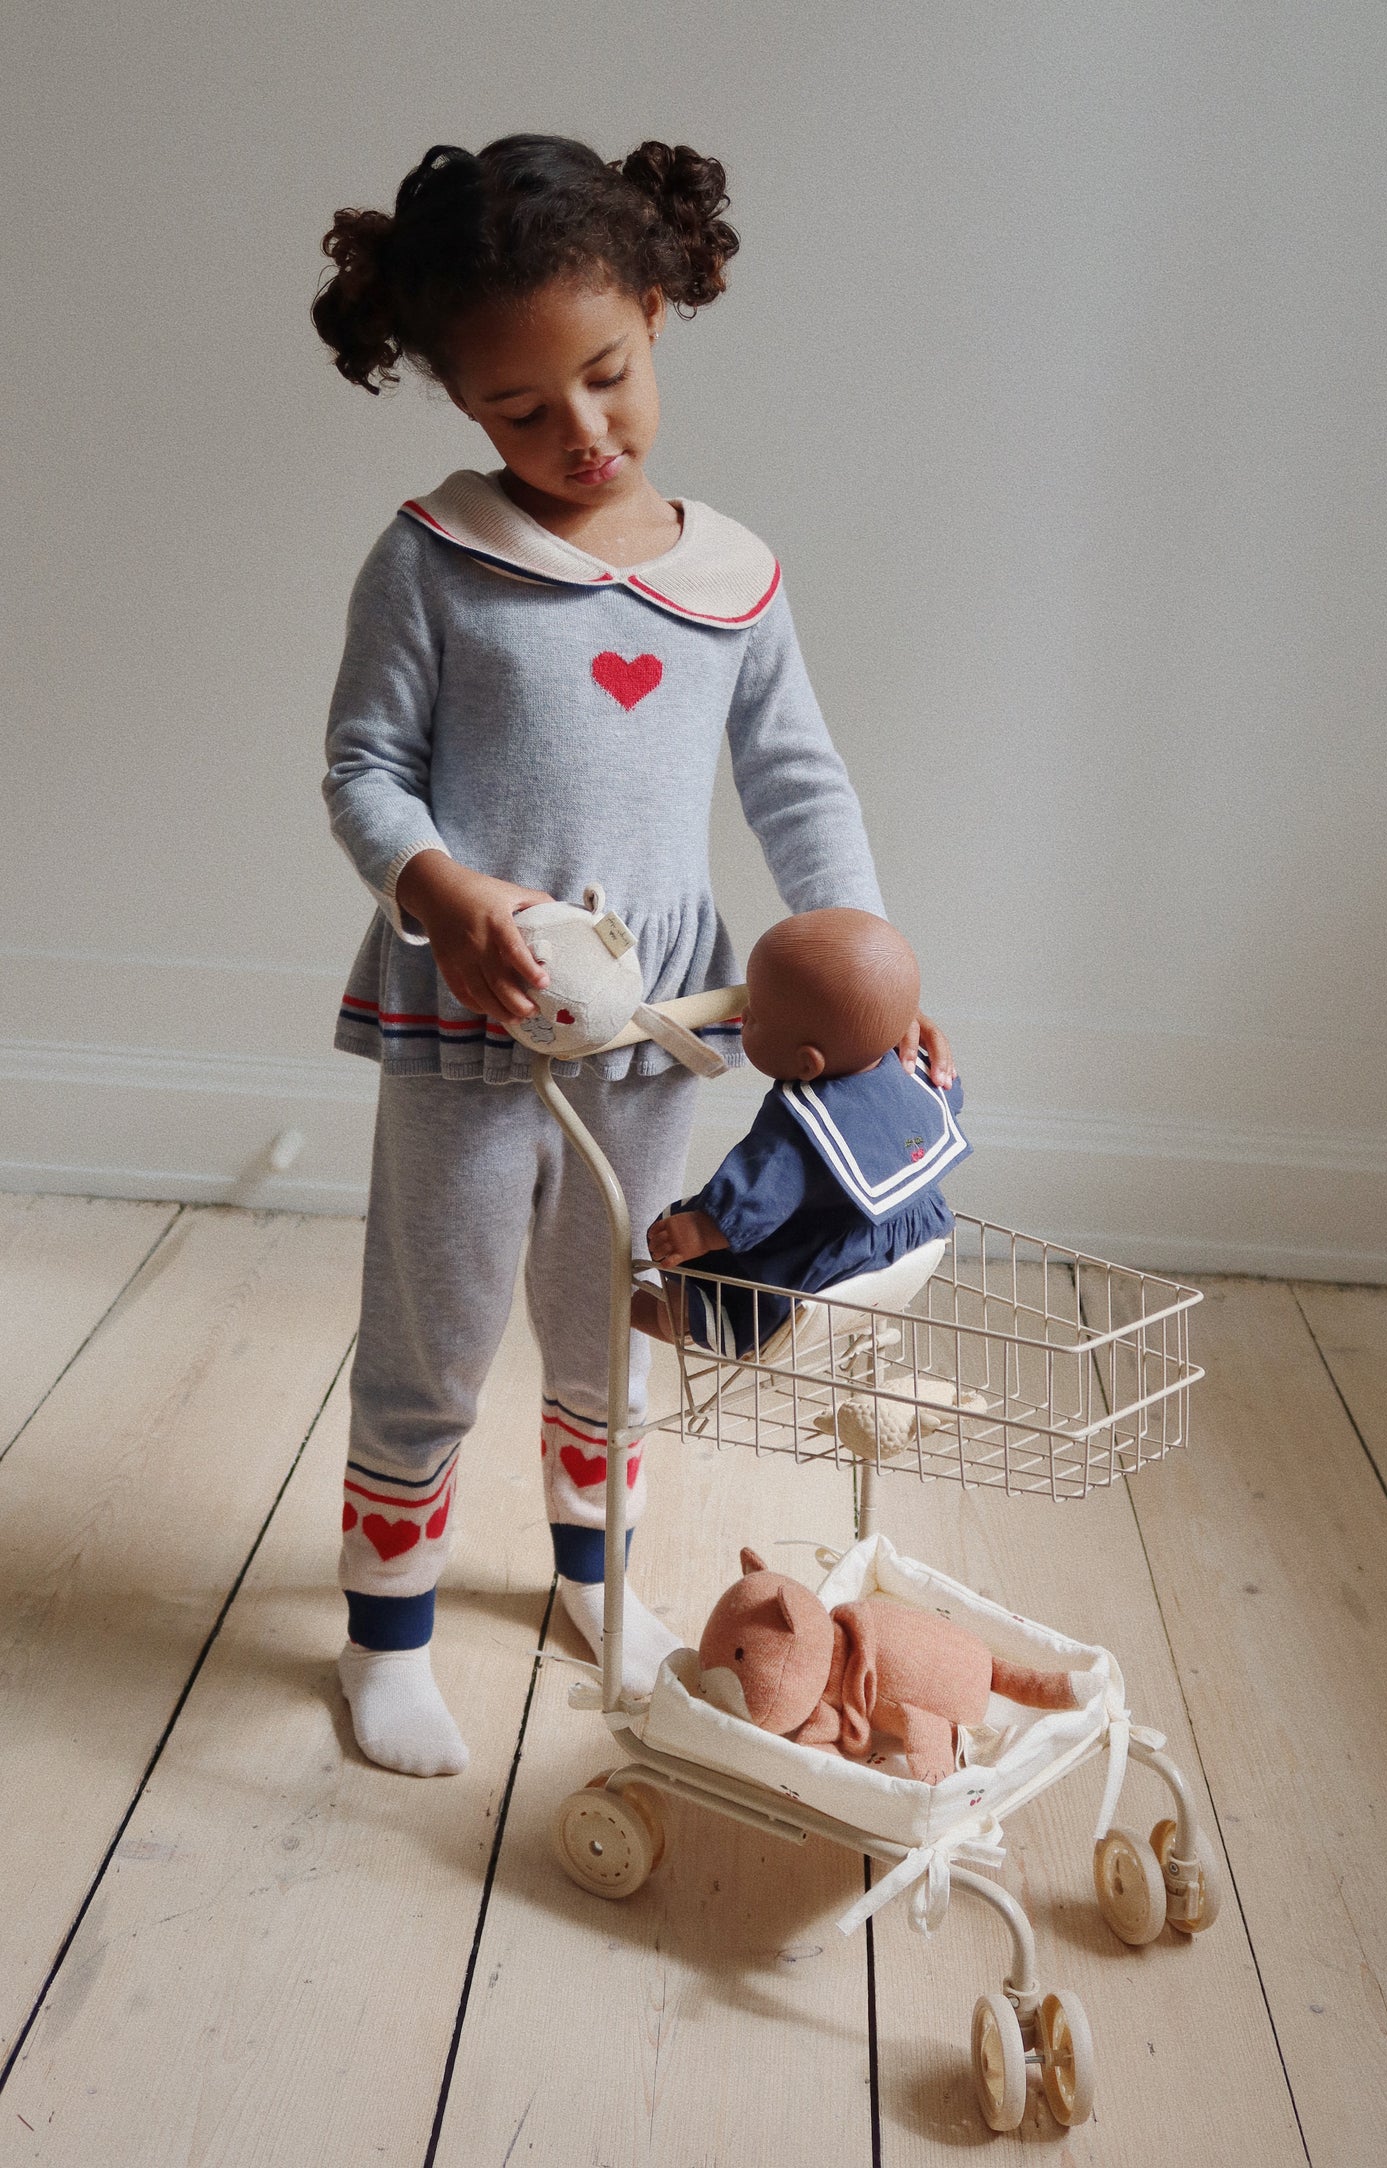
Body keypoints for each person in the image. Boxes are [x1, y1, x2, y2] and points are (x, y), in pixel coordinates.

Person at [312, 134, 953, 1775]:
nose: (578, 432)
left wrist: (873, 976)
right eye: (524, 409)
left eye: (605, 378)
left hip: (659, 1037)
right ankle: (388, 1633)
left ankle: (599, 1589)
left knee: (613, 1324)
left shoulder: (731, 583)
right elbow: (363, 770)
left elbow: (798, 782)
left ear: (659, 313)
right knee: (436, 1331)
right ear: (465, 405)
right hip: (474, 1033)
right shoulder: (437, 559)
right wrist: (444, 893)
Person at [635, 909, 969, 1359]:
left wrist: (703, 1229)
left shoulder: (798, 1126)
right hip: (911, 1231)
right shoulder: (913, 1068)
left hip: (825, 1264)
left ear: (807, 1063)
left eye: (752, 1018)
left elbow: (761, 1192)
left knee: (724, 1279)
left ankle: (662, 1316)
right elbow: (948, 1102)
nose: (743, 1015)